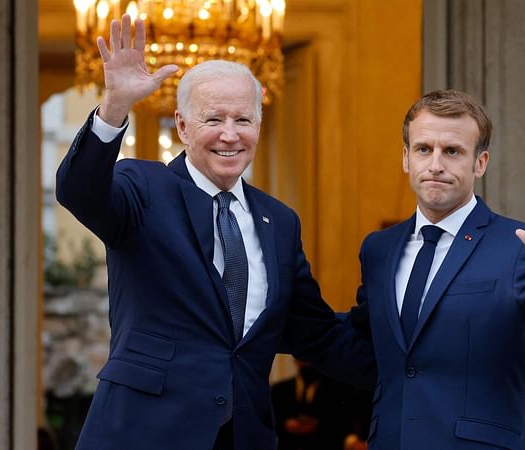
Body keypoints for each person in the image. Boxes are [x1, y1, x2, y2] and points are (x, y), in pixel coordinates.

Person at [56, 15, 374, 450]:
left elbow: (315, 332)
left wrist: (420, 364)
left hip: (243, 435)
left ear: (259, 127)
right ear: (183, 126)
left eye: (243, 119)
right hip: (142, 432)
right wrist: (114, 108)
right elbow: (79, 192)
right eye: (213, 119)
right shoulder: (144, 188)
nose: (230, 134)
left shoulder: (279, 222)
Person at [350, 89, 525, 449]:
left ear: (480, 162)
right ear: (406, 158)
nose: (436, 164)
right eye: (424, 149)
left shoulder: (523, 247)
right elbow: (363, 344)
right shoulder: (379, 250)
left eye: (452, 151)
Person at [271, 360, 372, 450]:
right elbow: (270, 420)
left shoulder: (336, 389)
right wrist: (286, 425)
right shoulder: (280, 389)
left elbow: (343, 421)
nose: (306, 361)